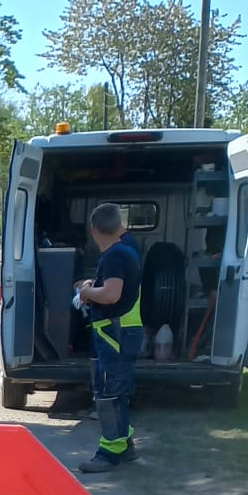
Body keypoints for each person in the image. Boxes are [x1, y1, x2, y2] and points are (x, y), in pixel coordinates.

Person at [72, 202, 143, 473]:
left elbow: (112, 294)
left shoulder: (114, 256)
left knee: (108, 394)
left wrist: (87, 293)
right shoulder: (129, 248)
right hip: (124, 330)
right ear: (119, 225)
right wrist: (93, 286)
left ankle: (109, 452)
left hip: (114, 333)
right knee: (119, 392)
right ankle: (126, 445)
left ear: (93, 231)